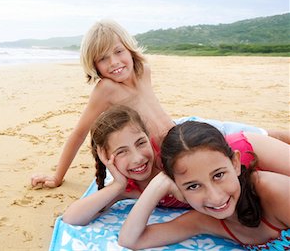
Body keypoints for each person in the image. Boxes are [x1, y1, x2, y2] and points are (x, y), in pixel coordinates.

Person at [30, 19, 290, 189]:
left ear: (129, 49)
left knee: (270, 135)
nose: (114, 62)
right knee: (250, 163)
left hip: (184, 129)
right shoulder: (105, 90)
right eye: (103, 58)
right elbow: (79, 132)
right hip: (170, 148)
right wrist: (57, 176)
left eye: (118, 51)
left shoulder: (144, 70)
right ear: (94, 65)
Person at [62, 105, 290, 226]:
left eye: (140, 143)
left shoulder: (169, 157)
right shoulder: (128, 187)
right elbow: (72, 218)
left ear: (148, 137)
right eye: (121, 152)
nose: (138, 158)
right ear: (106, 157)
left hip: (248, 149)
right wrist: (116, 186)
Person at [118, 121, 290, 250]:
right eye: (193, 186)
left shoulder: (272, 191)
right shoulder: (205, 220)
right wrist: (159, 184)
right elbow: (130, 239)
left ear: (235, 163)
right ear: (178, 189)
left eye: (219, 175)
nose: (215, 197)